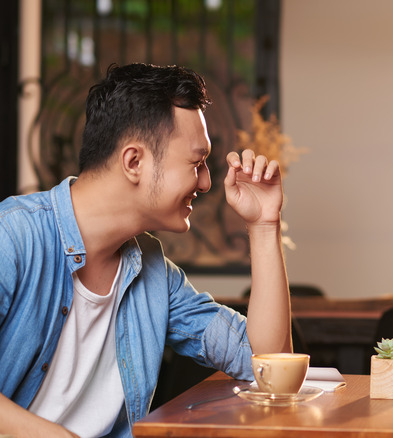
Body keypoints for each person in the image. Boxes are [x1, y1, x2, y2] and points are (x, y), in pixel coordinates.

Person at [0, 63, 293, 437]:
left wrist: (264, 224)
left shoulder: (154, 273)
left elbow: (269, 366)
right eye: (197, 162)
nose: (206, 183)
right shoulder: (13, 237)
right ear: (134, 162)